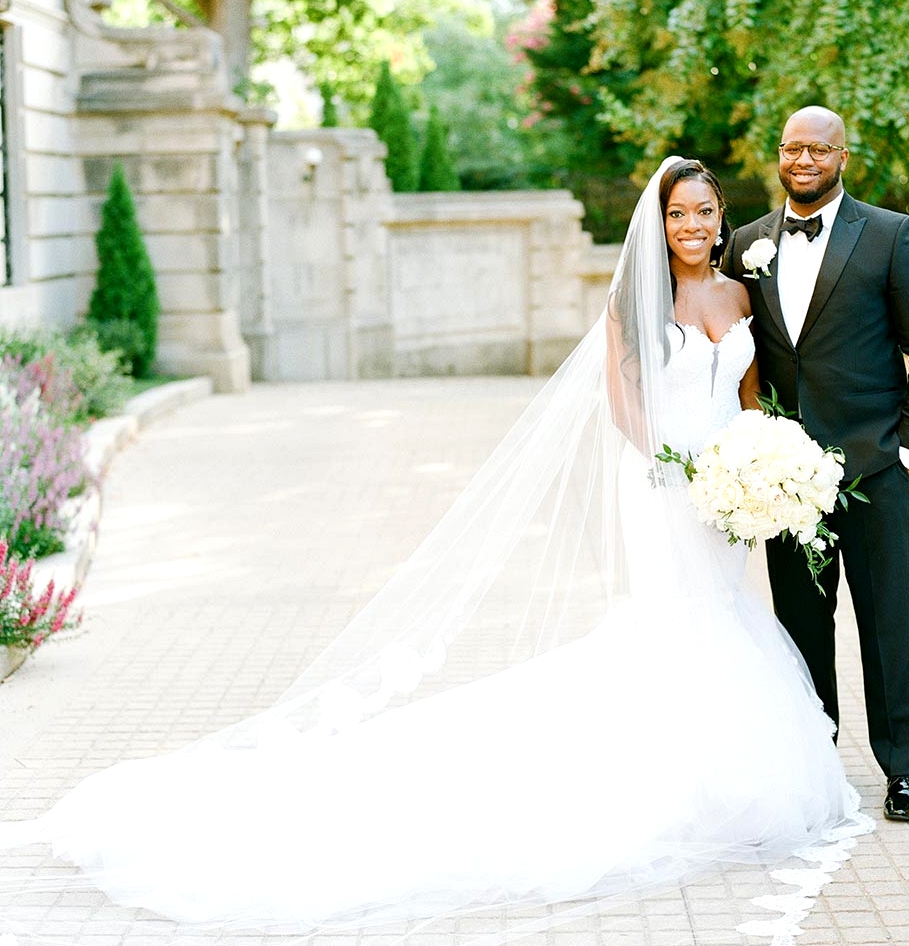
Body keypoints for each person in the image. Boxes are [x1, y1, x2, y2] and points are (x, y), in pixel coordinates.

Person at [0, 157, 870, 946]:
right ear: (660, 220)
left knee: (724, 622)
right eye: (677, 213)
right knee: (679, 628)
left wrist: (755, 469)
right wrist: (682, 475)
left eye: (704, 213)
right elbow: (623, 407)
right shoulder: (630, 304)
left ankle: (714, 776)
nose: (691, 227)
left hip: (725, 496)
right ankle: (681, 782)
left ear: (723, 220)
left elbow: (751, 395)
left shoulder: (735, 297)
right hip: (662, 489)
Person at [725, 105, 909, 823]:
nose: (802, 160)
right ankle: (811, 764)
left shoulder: (890, 234)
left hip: (874, 467)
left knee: (891, 621)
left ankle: (902, 768)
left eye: (817, 149)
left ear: (842, 154)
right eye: (790, 148)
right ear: (778, 155)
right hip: (784, 479)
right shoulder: (744, 244)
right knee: (801, 624)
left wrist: (902, 441)